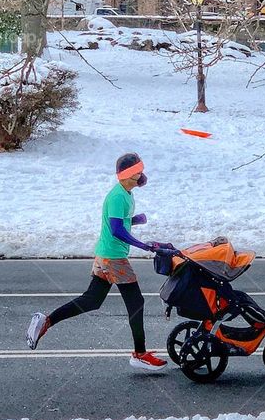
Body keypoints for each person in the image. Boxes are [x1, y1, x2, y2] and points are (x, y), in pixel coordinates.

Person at [25, 153, 169, 373]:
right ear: (128, 175)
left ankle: (46, 321)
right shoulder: (118, 196)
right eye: (138, 171)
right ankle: (140, 354)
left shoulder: (126, 194)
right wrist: (144, 246)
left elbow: (120, 221)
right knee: (137, 302)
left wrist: (135, 219)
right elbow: (116, 230)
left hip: (105, 255)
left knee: (92, 300)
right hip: (113, 257)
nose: (142, 174)